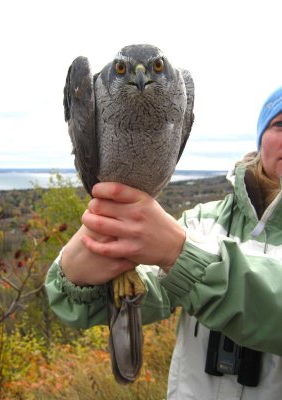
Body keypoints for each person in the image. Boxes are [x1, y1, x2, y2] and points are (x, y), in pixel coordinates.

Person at [45, 86, 282, 399]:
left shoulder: (185, 238)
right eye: (279, 125)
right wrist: (85, 273)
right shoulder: (202, 222)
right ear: (261, 137)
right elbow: (151, 293)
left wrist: (182, 255)